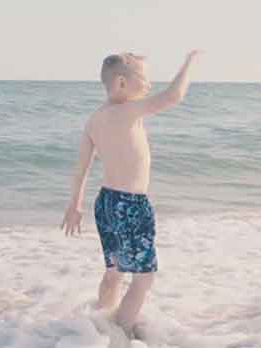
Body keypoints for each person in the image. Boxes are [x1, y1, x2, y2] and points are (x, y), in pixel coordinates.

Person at [61, 50, 200, 334]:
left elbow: (81, 168)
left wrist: (74, 205)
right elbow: (173, 96)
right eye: (145, 79)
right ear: (122, 83)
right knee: (144, 278)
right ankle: (121, 333)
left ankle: (99, 326)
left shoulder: (94, 119)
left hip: (106, 203)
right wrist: (189, 62)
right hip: (131, 204)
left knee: (114, 271)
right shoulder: (127, 111)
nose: (149, 85)